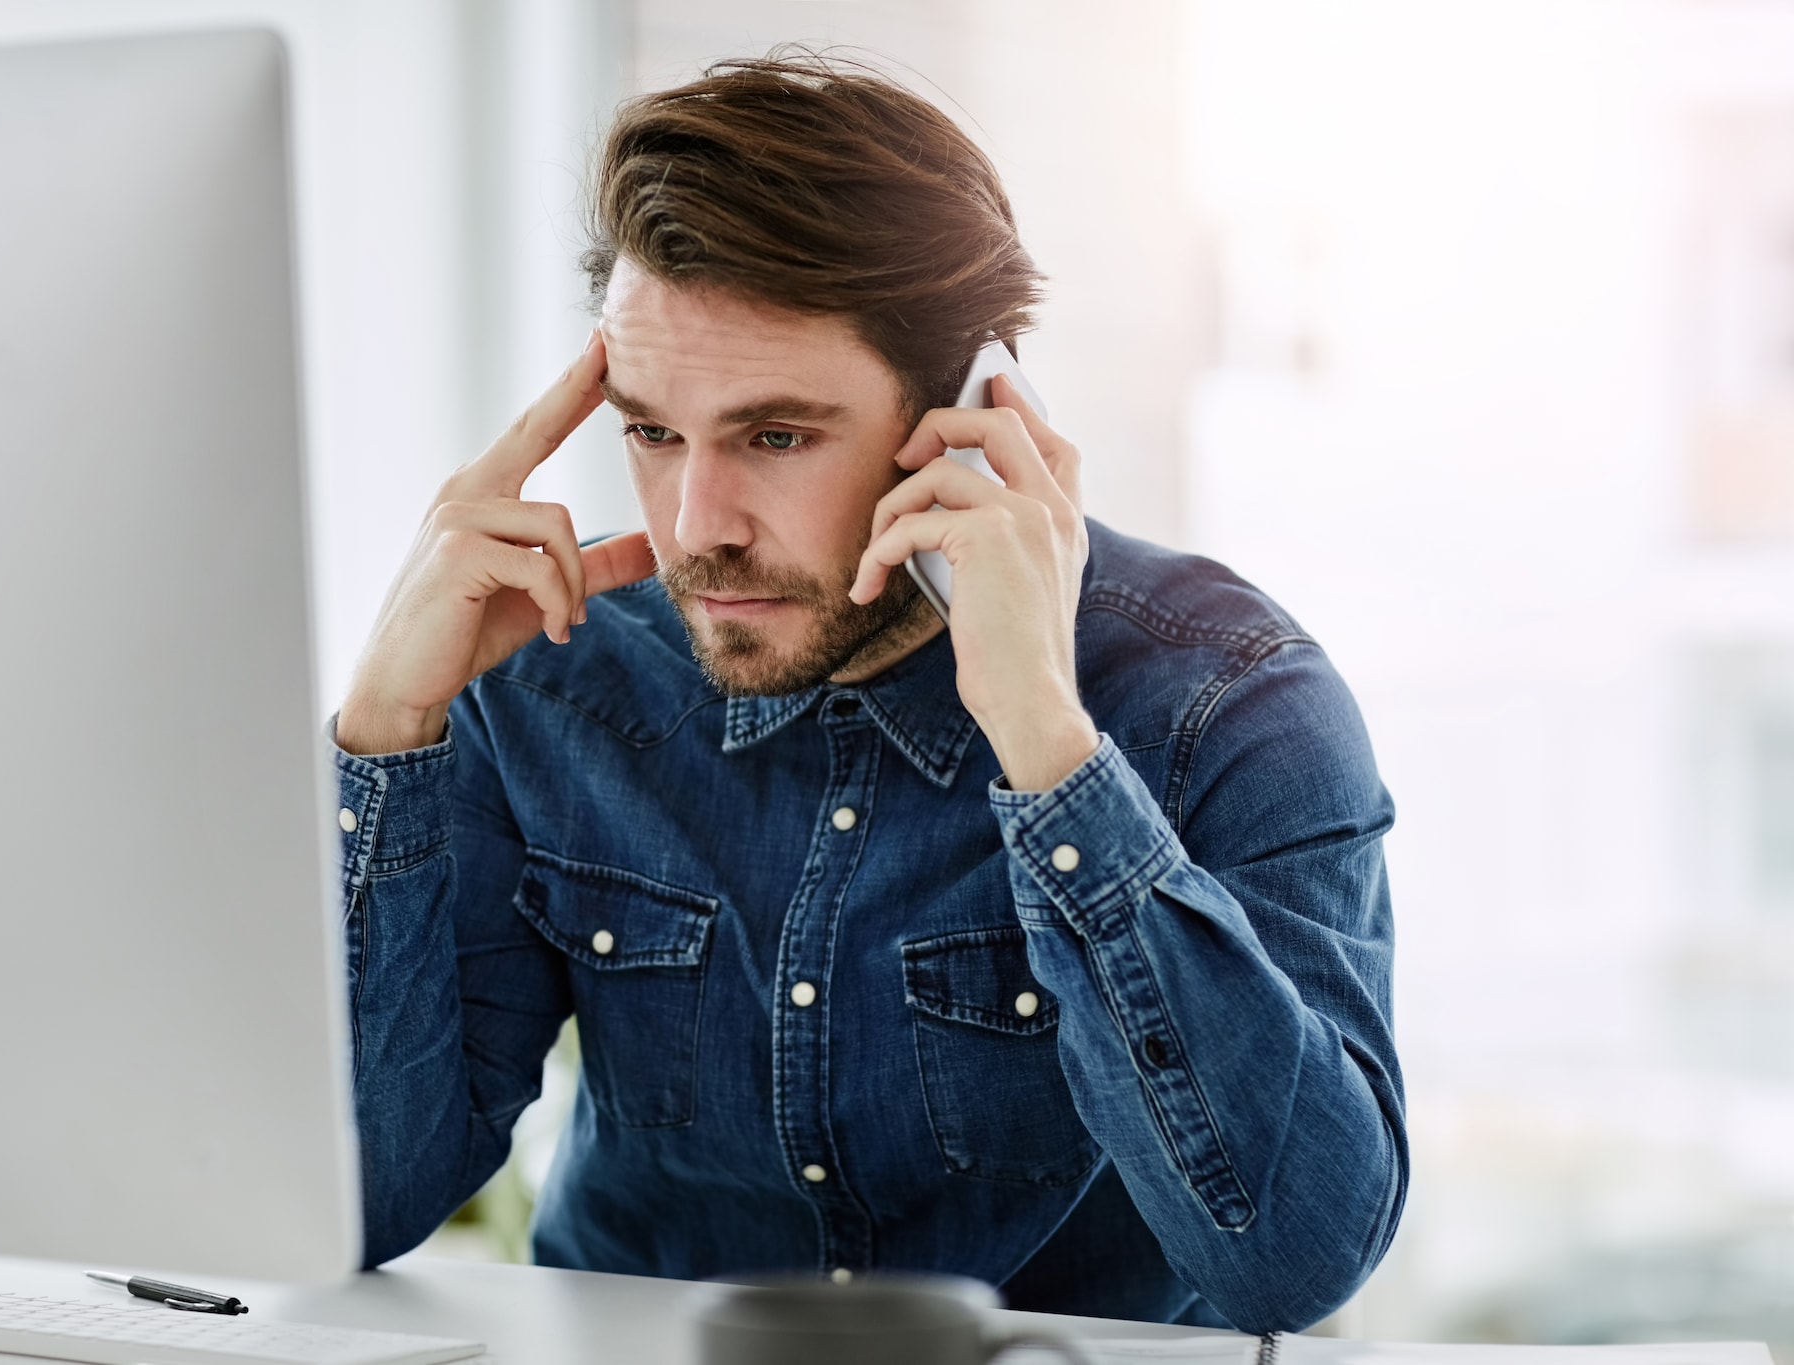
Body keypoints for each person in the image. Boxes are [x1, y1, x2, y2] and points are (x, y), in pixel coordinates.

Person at [329, 55, 1404, 1332]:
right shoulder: (549, 671)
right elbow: (358, 1205)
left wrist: (1049, 754)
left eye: (774, 437)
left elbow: (1291, 1262)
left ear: (965, 409)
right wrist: (383, 739)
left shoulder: (1224, 698)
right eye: (653, 432)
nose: (695, 525)